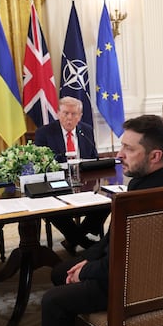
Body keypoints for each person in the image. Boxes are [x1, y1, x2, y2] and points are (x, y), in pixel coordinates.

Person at [12, 115, 163, 326]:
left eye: (129, 149)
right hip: (133, 270)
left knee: (53, 300)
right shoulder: (154, 183)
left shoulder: (146, 198)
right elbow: (114, 242)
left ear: (155, 155)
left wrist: (87, 271)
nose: (119, 154)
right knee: (60, 270)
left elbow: (124, 261)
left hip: (134, 286)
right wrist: (85, 262)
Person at [34, 97, 108, 254]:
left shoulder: (86, 130)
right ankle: (86, 242)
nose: (69, 117)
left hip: (85, 183)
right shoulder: (44, 133)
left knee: (107, 201)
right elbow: (40, 164)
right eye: (65, 113)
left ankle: (73, 239)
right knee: (52, 209)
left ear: (80, 115)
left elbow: (93, 158)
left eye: (74, 114)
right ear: (58, 113)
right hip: (57, 183)